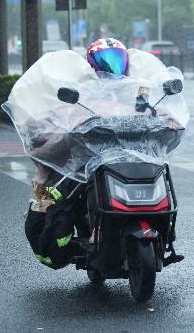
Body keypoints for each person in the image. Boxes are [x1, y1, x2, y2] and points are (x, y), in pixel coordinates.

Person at [24, 38, 130, 269]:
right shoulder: (81, 93)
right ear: (90, 66)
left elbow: (157, 111)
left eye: (117, 59)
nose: (111, 68)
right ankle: (90, 235)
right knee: (63, 197)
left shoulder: (133, 93)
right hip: (89, 167)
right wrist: (43, 130)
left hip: (128, 163)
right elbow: (56, 120)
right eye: (105, 61)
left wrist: (169, 120)